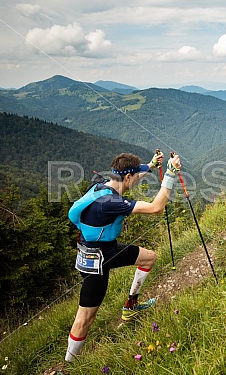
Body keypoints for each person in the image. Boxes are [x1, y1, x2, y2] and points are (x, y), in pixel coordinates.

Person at [64, 150, 180, 363]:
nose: (137, 180)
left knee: (149, 258)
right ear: (127, 178)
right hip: (95, 261)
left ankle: (130, 305)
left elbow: (138, 172)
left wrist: (152, 165)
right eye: (135, 177)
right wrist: (170, 174)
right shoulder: (111, 203)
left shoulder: (101, 186)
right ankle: (68, 364)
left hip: (107, 249)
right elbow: (156, 208)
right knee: (85, 317)